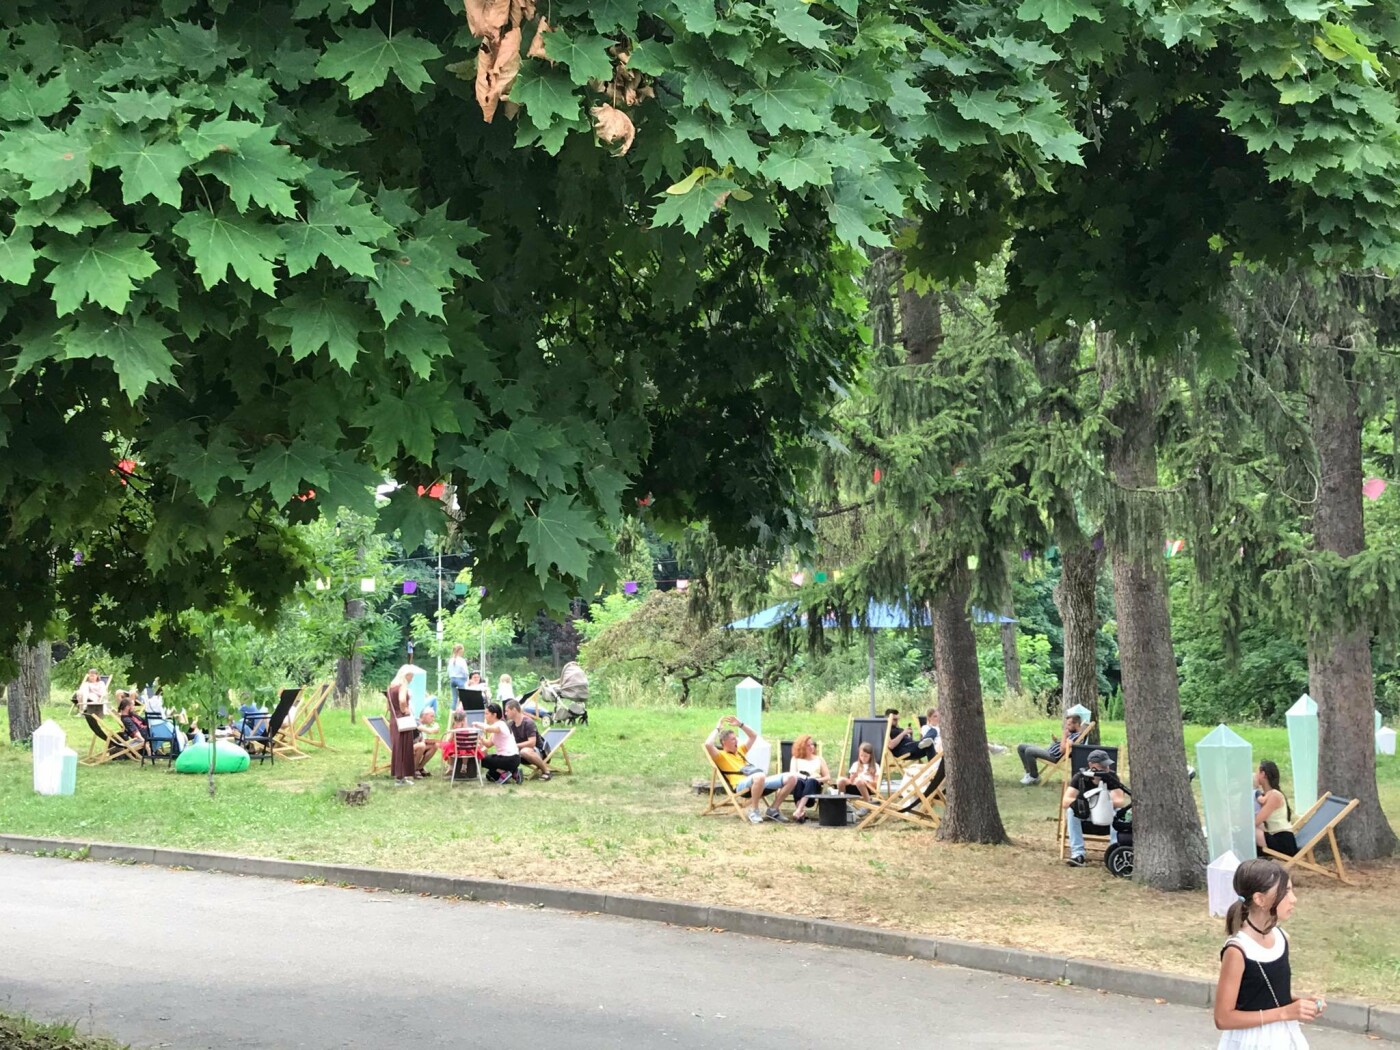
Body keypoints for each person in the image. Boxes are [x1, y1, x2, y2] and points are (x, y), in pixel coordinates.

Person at [1213, 857, 1324, 1048]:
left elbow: (1266, 995)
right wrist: (1285, 1013)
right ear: (1260, 899)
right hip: (1251, 1041)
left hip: (1284, 1037)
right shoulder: (1238, 950)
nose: (1293, 899)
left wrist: (1300, 1004)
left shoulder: (1282, 938)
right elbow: (1223, 1018)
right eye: (1285, 892)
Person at [703, 715, 797, 824]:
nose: (736, 741)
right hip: (741, 785)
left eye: (736, 738)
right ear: (724, 742)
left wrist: (740, 724)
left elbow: (753, 736)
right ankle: (754, 812)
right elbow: (708, 744)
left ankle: (773, 809)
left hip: (758, 781)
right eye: (733, 739)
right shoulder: (720, 756)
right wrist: (718, 728)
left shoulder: (740, 751)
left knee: (792, 777)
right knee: (760, 776)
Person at [1062, 748, 1127, 867]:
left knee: (1119, 813)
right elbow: (1066, 801)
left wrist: (1102, 803)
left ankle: (1115, 851)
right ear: (1091, 765)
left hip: (1106, 817)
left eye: (1107, 765)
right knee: (1071, 811)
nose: (1106, 769)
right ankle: (1078, 854)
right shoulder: (1080, 777)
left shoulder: (1111, 777)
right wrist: (1085, 804)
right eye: (1102, 766)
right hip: (1086, 817)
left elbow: (1119, 801)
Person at [1017, 713, 1085, 785]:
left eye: (1069, 725)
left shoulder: (1077, 737)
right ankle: (1028, 773)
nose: (1066, 727)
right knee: (1021, 747)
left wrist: (1064, 736)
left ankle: (1034, 776)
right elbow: (1063, 743)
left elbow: (1062, 750)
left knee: (1029, 751)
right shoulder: (1072, 733)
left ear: (1076, 724)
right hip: (1048, 750)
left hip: (1053, 756)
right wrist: (1057, 741)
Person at [1254, 761, 1297, 856]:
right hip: (1274, 837)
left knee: (1252, 831)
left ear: (1263, 774)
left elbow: (1256, 821)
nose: (1255, 775)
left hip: (1283, 842)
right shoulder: (1265, 795)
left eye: (1257, 772)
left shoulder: (1275, 796)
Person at [386, 664, 419, 786]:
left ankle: (400, 776)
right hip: (403, 719)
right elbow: (402, 700)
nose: (412, 679)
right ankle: (401, 777)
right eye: (411, 676)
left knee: (398, 748)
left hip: (394, 720)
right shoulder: (402, 686)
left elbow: (388, 707)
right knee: (404, 748)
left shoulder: (390, 687)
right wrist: (405, 710)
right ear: (406, 675)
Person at [473, 702, 521, 784]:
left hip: (509, 758)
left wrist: (477, 724)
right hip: (511, 759)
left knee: (481, 758)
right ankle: (514, 773)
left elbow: (487, 729)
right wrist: (480, 738)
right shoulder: (496, 727)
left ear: (494, 715)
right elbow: (488, 744)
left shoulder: (501, 724)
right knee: (490, 775)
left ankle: (504, 772)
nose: (485, 716)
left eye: (487, 714)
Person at [787, 734, 830, 823]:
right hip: (800, 785)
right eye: (808, 745)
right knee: (798, 781)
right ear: (802, 747)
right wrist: (804, 777)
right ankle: (801, 813)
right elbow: (792, 773)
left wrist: (816, 780)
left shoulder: (819, 759)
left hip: (814, 788)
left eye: (812, 744)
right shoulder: (796, 758)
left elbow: (827, 777)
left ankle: (798, 810)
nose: (811, 747)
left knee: (811, 780)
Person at [504, 699, 550, 780]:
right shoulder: (511, 725)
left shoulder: (528, 722)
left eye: (507, 711)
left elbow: (532, 743)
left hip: (537, 752)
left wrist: (515, 746)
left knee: (524, 751)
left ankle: (546, 771)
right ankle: (507, 773)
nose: (505, 713)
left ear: (514, 710)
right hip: (520, 753)